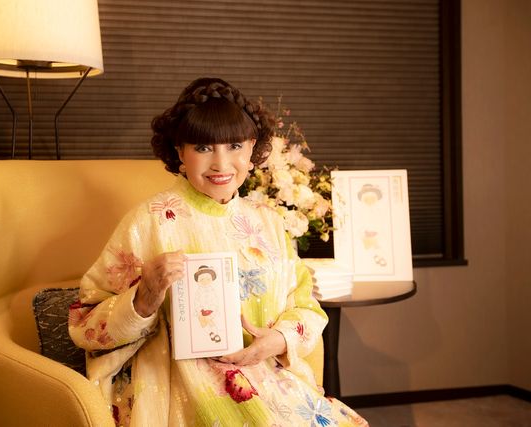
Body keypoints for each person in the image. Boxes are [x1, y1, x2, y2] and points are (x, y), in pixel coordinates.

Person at [69, 77, 368, 426]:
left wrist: (277, 340)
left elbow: (306, 306)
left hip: (268, 378)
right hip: (180, 386)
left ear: (252, 149)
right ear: (180, 152)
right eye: (203, 148)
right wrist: (144, 298)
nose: (221, 164)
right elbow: (85, 324)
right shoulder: (148, 222)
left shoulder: (268, 222)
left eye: (235, 145)